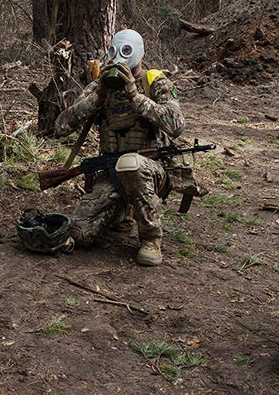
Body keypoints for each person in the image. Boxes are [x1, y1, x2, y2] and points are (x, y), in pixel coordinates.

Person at [51, 29, 186, 266]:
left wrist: (136, 97)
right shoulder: (99, 86)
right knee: (79, 234)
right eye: (114, 51)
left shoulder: (154, 81)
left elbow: (176, 125)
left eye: (126, 51)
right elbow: (61, 127)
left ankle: (151, 239)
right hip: (111, 172)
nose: (119, 58)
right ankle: (121, 211)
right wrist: (96, 98)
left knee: (131, 165)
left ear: (140, 53)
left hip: (150, 169)